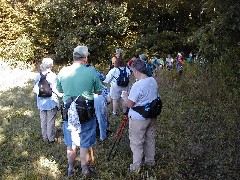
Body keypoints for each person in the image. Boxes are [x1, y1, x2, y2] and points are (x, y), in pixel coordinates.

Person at [56, 45, 102, 177]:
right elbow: (98, 91)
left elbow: (59, 90)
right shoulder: (91, 72)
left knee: (70, 144)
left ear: (74, 57)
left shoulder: (63, 71)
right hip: (85, 113)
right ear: (85, 58)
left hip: (68, 112)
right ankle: (85, 170)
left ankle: (70, 169)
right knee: (84, 143)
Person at [121, 59, 159, 173]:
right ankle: (150, 162)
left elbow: (130, 104)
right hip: (151, 115)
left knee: (136, 143)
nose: (133, 74)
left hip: (138, 118)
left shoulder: (138, 84)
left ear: (137, 71)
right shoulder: (152, 80)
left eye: (132, 71)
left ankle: (135, 168)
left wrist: (125, 96)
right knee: (150, 139)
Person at [33, 58, 59, 143]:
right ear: (51, 65)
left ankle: (45, 137)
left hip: (41, 102)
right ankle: (51, 138)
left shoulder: (38, 76)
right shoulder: (52, 76)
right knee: (50, 120)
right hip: (51, 102)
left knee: (43, 120)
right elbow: (56, 89)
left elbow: (35, 87)